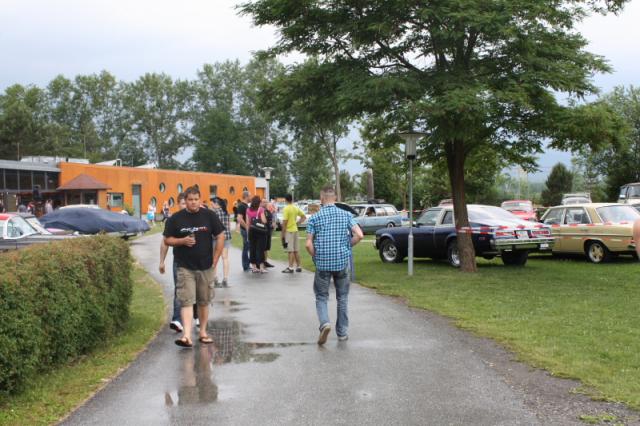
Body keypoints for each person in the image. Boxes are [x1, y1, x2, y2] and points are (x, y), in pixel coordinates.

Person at [163, 186, 225, 348]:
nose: (193, 202)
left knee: (203, 301)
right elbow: (167, 239)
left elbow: (220, 235)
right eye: (190, 200)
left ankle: (203, 333)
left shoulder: (209, 215)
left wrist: (215, 259)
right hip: (185, 266)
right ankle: (186, 336)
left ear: (200, 199)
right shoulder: (176, 218)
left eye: (196, 199)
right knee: (186, 301)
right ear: (185, 200)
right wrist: (182, 241)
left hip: (206, 266)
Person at [305, 186, 363, 345]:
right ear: (335, 198)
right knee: (342, 298)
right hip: (341, 262)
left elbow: (308, 244)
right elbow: (359, 235)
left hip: (322, 263)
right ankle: (342, 333)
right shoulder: (346, 215)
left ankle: (325, 323)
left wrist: (315, 256)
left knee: (321, 296)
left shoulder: (314, 218)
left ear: (321, 198)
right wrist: (347, 246)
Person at [160, 193, 187, 333]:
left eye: (188, 202)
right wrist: (161, 261)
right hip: (179, 260)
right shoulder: (173, 220)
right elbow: (165, 242)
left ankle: (196, 315)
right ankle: (177, 319)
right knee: (179, 289)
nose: (186, 205)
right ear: (178, 204)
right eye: (183, 203)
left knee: (196, 290)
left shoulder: (198, 218)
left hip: (197, 261)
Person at [281, 194, 306, 273]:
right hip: (295, 230)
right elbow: (304, 217)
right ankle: (299, 266)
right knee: (296, 250)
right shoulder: (295, 207)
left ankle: (290, 267)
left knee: (290, 250)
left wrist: (282, 233)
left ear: (286, 200)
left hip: (289, 231)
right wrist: (297, 223)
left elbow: (285, 222)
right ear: (291, 199)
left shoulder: (286, 208)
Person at [211, 197, 231, 287]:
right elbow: (228, 225)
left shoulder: (214, 213)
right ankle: (225, 279)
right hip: (226, 236)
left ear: (216, 204)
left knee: (215, 258)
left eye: (212, 203)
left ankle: (215, 279)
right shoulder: (226, 212)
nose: (211, 205)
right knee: (225, 258)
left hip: (217, 237)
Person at [247, 195, 268, 273]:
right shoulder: (261, 209)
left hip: (251, 231)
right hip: (260, 232)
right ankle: (261, 267)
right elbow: (264, 221)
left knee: (252, 249)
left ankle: (254, 267)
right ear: (259, 202)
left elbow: (248, 223)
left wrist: (248, 233)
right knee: (260, 249)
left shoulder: (248, 210)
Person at [235, 191, 251, 271]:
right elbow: (239, 218)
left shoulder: (246, 205)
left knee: (248, 247)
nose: (251, 197)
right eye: (250, 196)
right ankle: (245, 266)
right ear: (246, 196)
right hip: (245, 230)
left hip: (246, 229)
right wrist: (247, 227)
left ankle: (247, 264)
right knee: (246, 247)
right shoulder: (241, 206)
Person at [262, 199, 275, 268]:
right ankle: (261, 262)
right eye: (264, 202)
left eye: (266, 202)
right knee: (263, 247)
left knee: (266, 248)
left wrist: (272, 223)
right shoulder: (260, 211)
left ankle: (265, 261)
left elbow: (271, 219)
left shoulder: (268, 211)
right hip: (263, 231)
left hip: (268, 231)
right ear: (261, 203)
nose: (265, 203)